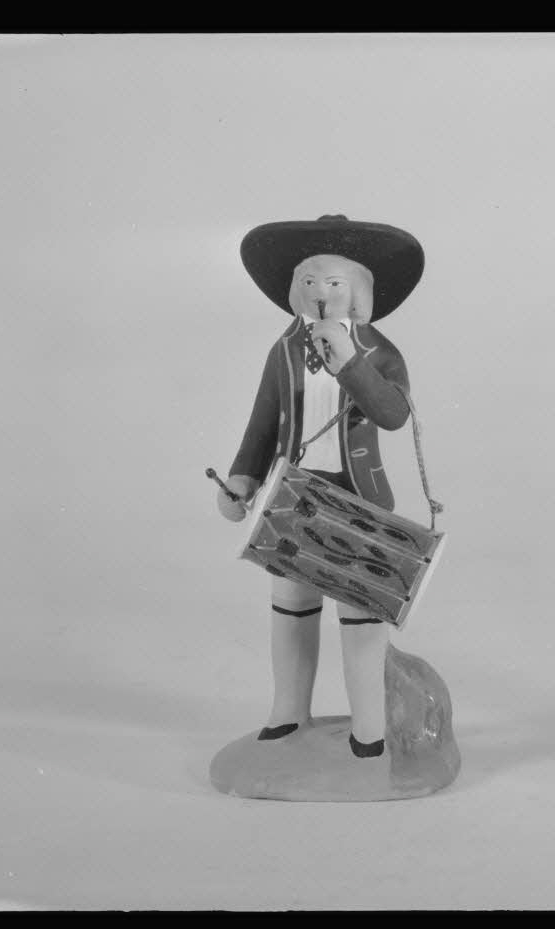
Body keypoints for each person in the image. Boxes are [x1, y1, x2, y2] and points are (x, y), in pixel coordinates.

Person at [217, 215, 424, 758]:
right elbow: (263, 421)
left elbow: (393, 414)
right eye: (310, 282)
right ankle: (288, 712)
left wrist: (351, 363)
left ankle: (370, 731)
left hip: (357, 497)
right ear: (295, 292)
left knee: (358, 614)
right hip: (292, 493)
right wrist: (242, 477)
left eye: (334, 283)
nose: (321, 294)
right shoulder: (283, 350)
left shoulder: (380, 352)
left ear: (357, 293)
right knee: (290, 602)